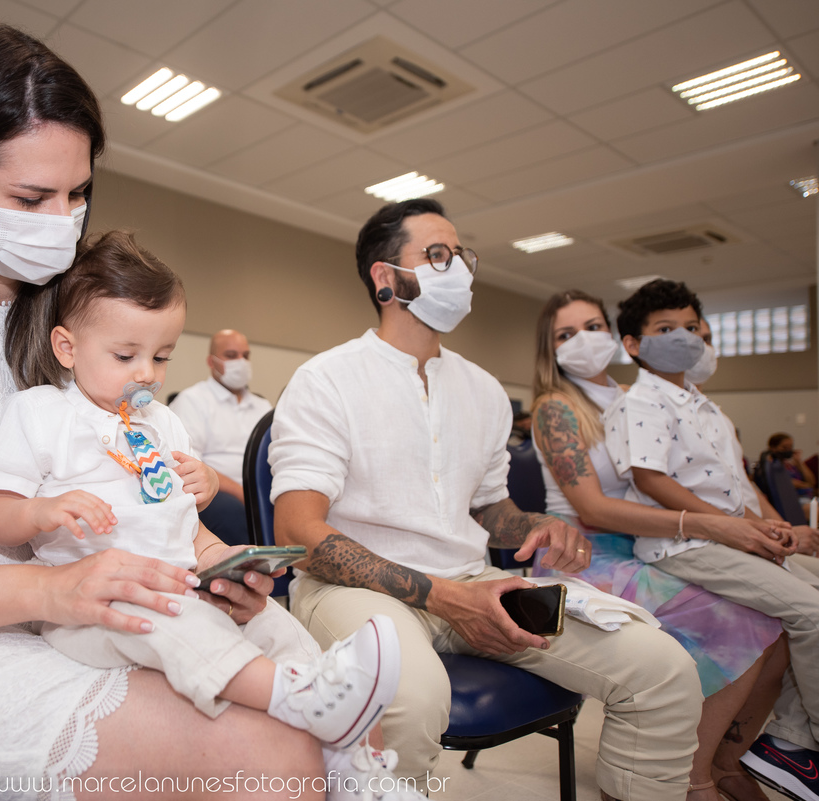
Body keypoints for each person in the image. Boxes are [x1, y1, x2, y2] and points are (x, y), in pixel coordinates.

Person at [0, 21, 420, 801]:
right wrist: (48, 591)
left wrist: (208, 568)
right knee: (272, 754)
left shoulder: (80, 324)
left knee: (335, 722)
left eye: (77, 195)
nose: (60, 221)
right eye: (31, 198)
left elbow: (139, 495)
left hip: (79, 622)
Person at [270, 197, 704, 800]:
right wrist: (443, 597)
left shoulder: (483, 390)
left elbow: (486, 508)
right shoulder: (327, 380)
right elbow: (298, 533)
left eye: (461, 255)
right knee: (410, 699)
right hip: (351, 590)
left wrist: (535, 526)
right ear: (386, 278)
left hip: (473, 581)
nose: (458, 270)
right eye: (437, 255)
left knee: (664, 670)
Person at [0, 230, 400, 754]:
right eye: (125, 355)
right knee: (181, 625)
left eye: (162, 357)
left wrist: (221, 557)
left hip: (184, 587)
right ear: (67, 348)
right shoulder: (40, 413)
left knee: (273, 623)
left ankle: (348, 741)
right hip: (93, 607)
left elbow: (186, 528)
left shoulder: (164, 424)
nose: (146, 374)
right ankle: (295, 699)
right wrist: (42, 510)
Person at [529, 290, 788, 800]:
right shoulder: (556, 408)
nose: (585, 340)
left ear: (616, 336)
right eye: (566, 334)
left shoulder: (638, 395)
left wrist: (763, 526)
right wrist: (705, 525)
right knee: (742, 622)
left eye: (594, 326)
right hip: (585, 554)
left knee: (775, 619)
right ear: (550, 348)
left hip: (650, 542)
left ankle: (725, 759)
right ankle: (694, 778)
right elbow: (594, 510)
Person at [605, 279, 819, 800]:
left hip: (732, 538)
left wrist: (782, 529)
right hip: (687, 544)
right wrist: (732, 527)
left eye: (690, 327)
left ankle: (786, 740)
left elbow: (742, 487)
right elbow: (651, 479)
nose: (683, 337)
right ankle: (800, 744)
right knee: (811, 612)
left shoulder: (707, 407)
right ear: (633, 344)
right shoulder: (643, 400)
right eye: (664, 329)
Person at [170, 329, 272, 546]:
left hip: (260, 491)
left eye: (246, 356)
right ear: (211, 361)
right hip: (216, 491)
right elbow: (189, 462)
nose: (241, 362)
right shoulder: (192, 401)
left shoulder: (263, 407)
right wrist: (244, 494)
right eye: (231, 355)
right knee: (230, 510)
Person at [763, 433, 817, 498]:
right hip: (791, 498)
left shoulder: (790, 465)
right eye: (784, 447)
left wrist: (799, 462)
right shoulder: (771, 465)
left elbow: (812, 482)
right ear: (773, 448)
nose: (788, 450)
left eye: (790, 447)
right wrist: (805, 485)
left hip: (808, 497)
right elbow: (788, 483)